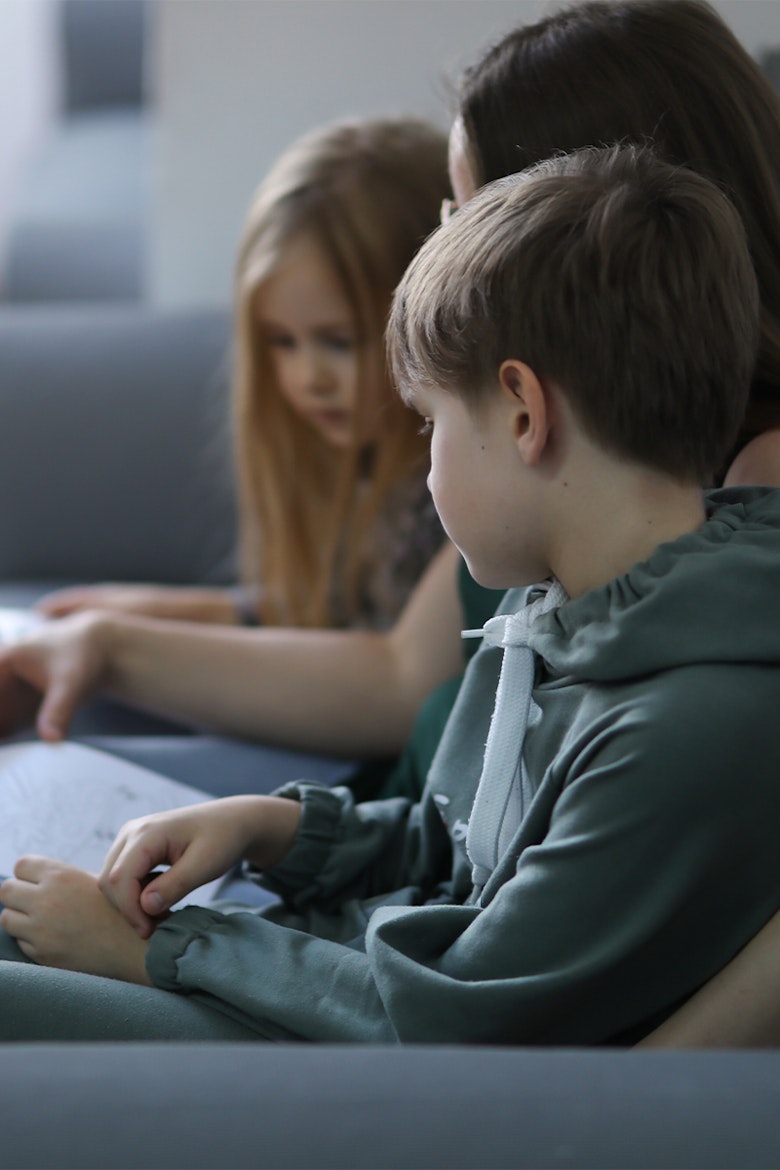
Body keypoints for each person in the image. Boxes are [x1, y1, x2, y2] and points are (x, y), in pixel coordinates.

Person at [1, 145, 779, 1044]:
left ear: (524, 414)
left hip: (375, 1051)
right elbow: (458, 849)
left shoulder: (679, 731)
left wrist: (163, 952)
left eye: (433, 421)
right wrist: (268, 828)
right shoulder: (553, 612)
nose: (428, 454)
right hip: (327, 976)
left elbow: (451, 1015)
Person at [38, 116, 448, 633]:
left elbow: (385, 674)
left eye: (339, 342)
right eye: (282, 341)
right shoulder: (361, 466)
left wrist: (120, 646)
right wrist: (133, 613)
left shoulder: (449, 500)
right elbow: (319, 616)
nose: (307, 378)